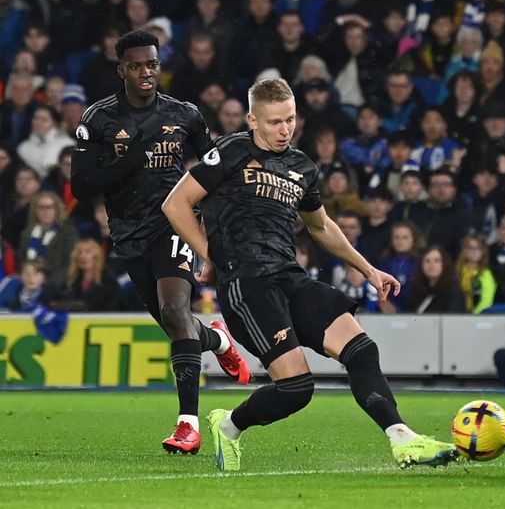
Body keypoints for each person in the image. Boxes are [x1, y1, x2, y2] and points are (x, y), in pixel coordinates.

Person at [162, 77, 458, 471]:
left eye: (290, 120)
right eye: (274, 122)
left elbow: (320, 227)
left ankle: (403, 439)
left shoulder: (301, 166)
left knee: (362, 349)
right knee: (297, 389)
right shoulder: (231, 151)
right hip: (247, 284)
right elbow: (176, 203)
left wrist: (368, 269)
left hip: (289, 276)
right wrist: (211, 256)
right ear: (252, 120)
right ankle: (229, 425)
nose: (285, 130)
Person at [70, 30, 250, 453]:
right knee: (176, 326)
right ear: (121, 71)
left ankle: (189, 426)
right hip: (129, 234)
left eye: (151, 64)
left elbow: (213, 172)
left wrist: (213, 236)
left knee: (175, 308)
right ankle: (219, 339)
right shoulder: (98, 119)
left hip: (175, 222)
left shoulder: (184, 114)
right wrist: (130, 160)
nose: (146, 72)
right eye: (136, 66)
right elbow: (81, 186)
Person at [403, 245, 465, 314]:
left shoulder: (453, 291)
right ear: (421, 266)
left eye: (437, 261)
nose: (432, 265)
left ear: (444, 264)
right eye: (427, 261)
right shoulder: (415, 290)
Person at [456, 233, 496, 314]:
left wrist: (475, 316)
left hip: (477, 315)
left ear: (483, 251)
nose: (474, 252)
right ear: (464, 250)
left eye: (478, 248)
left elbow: (486, 301)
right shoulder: (459, 270)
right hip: (458, 313)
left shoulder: (485, 274)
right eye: (470, 248)